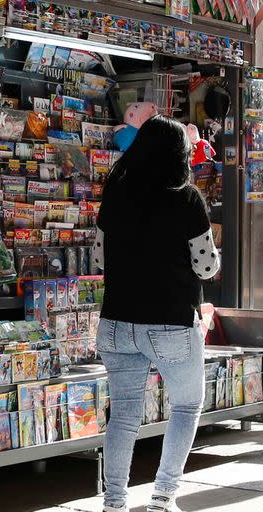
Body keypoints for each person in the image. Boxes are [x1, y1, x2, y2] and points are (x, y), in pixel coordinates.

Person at [92, 116, 220, 512]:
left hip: (116, 323)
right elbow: (206, 268)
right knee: (186, 405)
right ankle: (162, 497)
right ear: (179, 154)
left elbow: (99, 257)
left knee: (124, 414)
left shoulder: (115, 192)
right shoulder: (187, 198)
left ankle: (114, 502)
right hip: (170, 323)